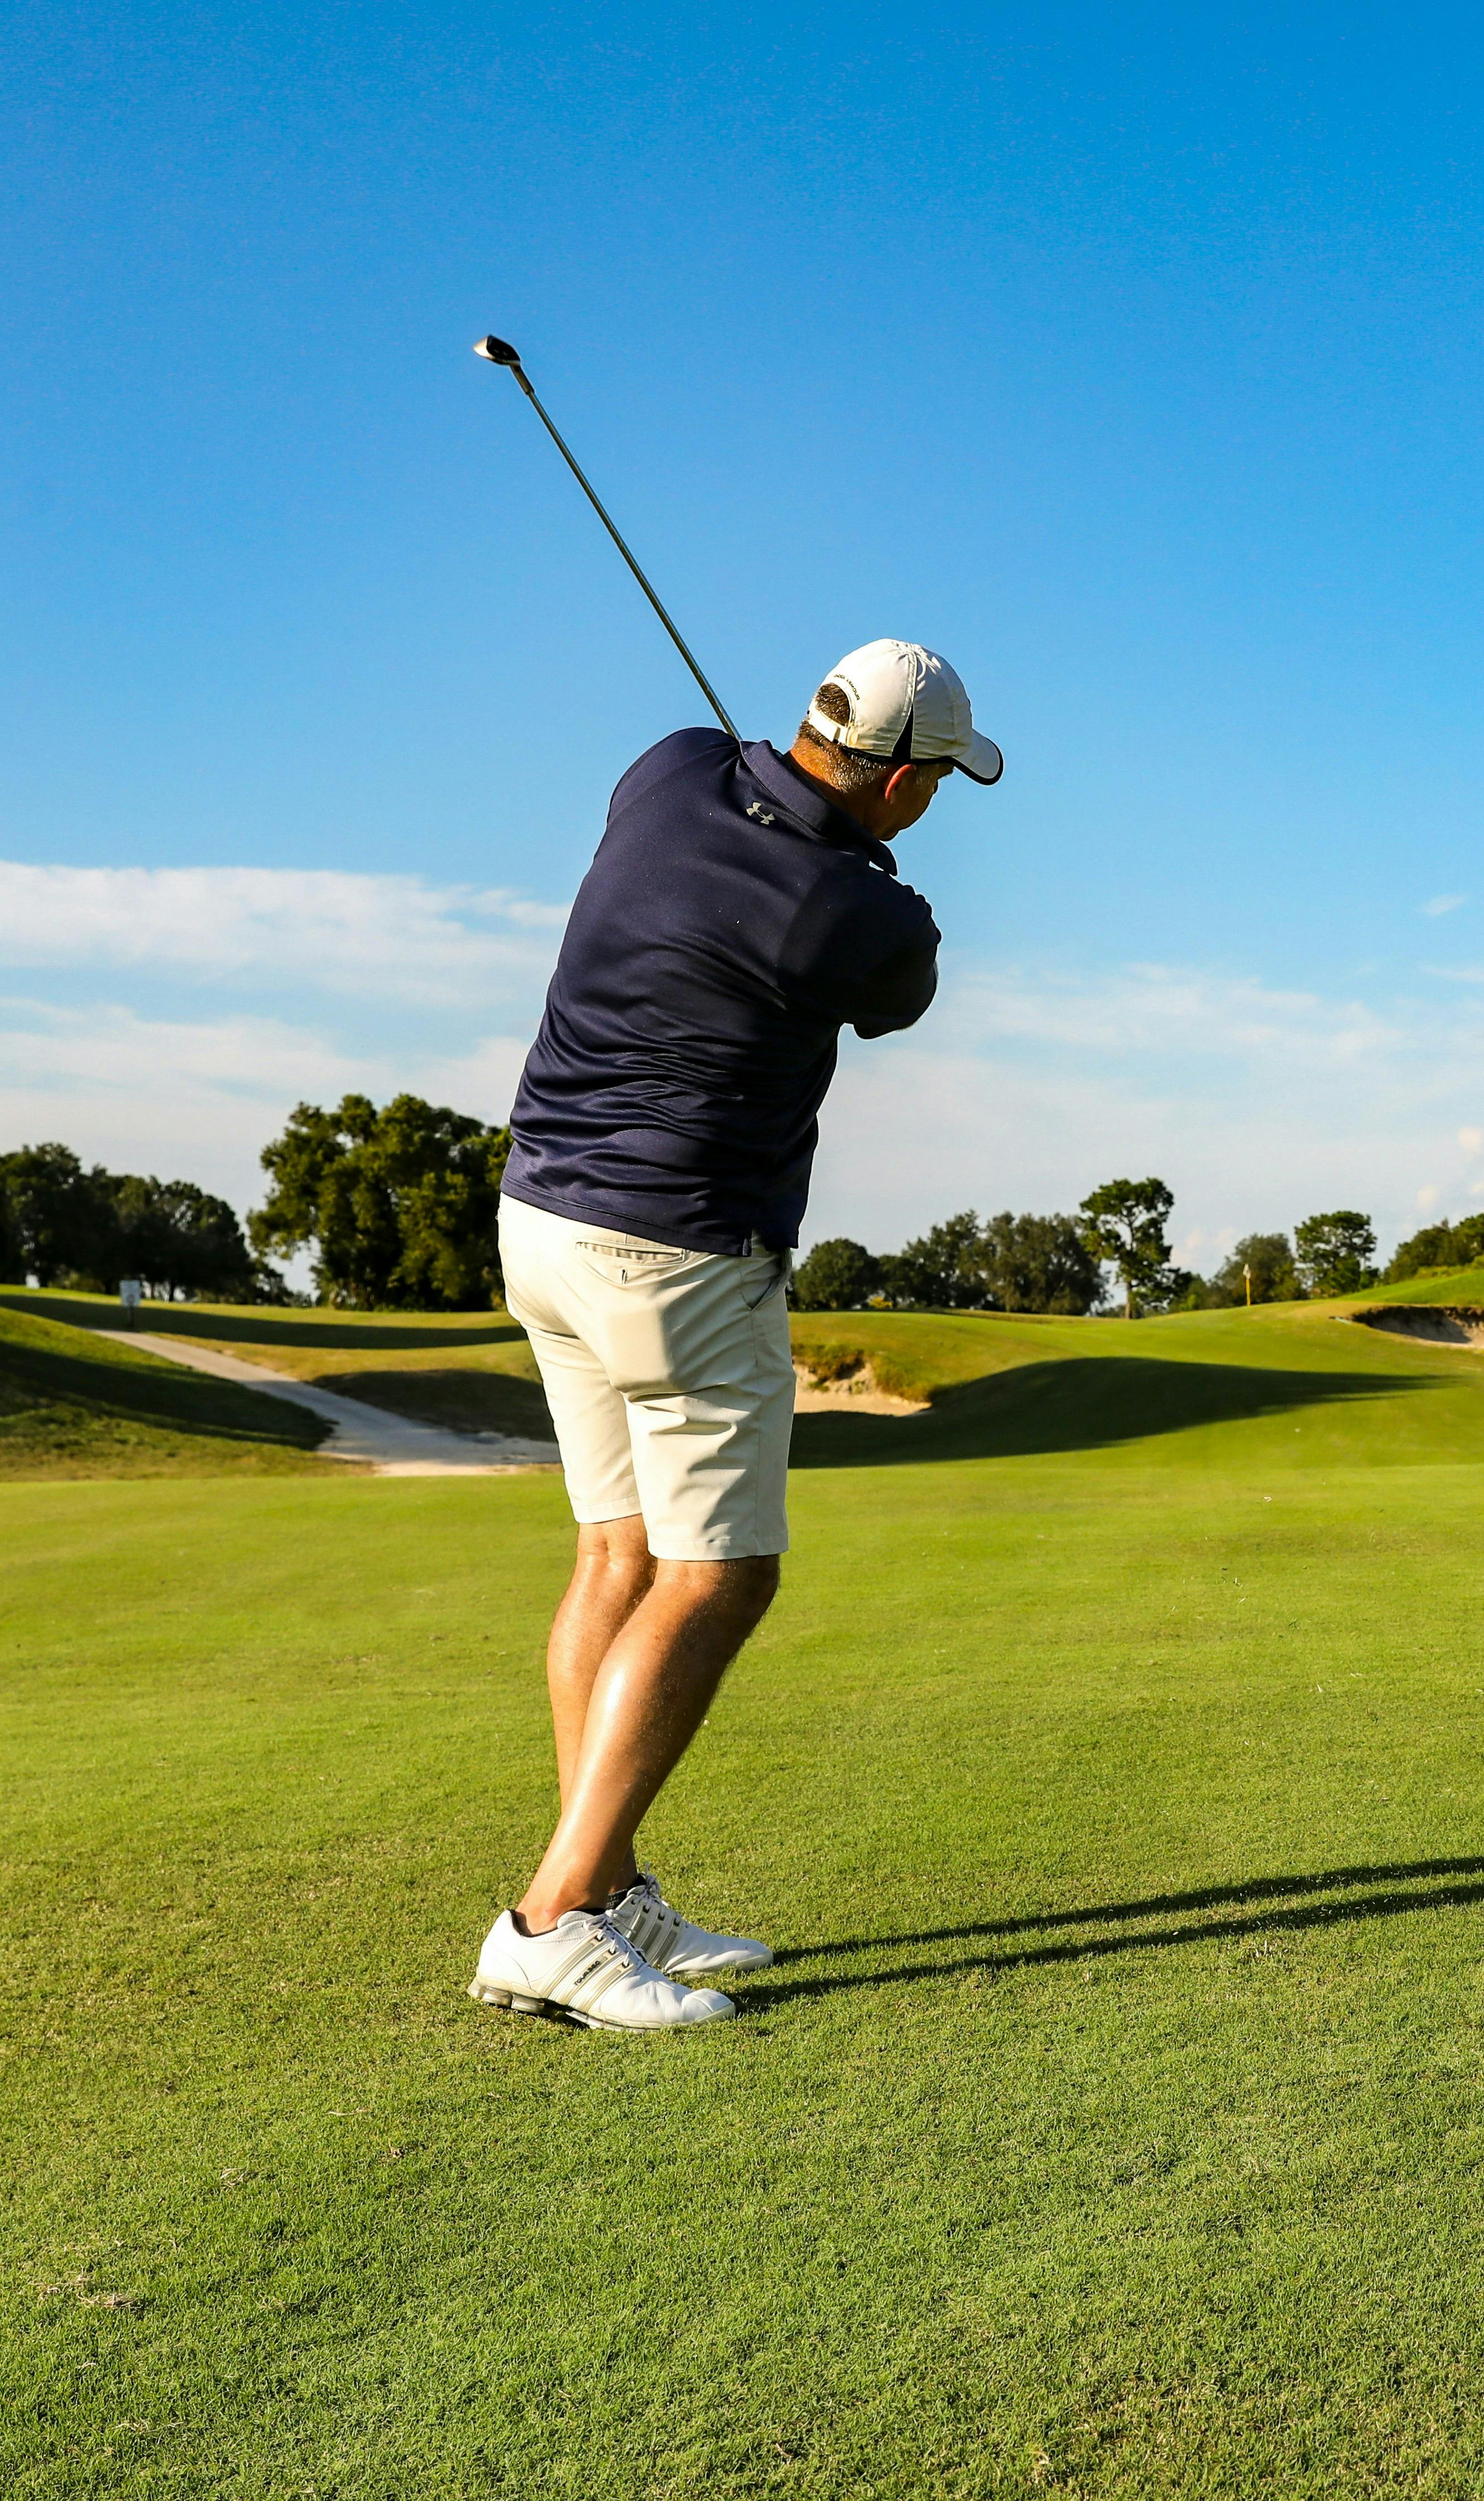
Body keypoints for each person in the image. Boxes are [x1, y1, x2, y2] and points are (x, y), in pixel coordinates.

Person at [468, 639, 1001, 2032]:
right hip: (676, 1254)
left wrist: (797, 818)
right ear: (897, 780)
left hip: (540, 1224)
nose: (936, 800)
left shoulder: (665, 769)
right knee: (721, 1577)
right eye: (935, 779)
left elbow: (721, 786)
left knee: (615, 1551)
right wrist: (856, 863)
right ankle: (558, 1914)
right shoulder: (855, 915)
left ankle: (614, 1877)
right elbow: (904, 981)